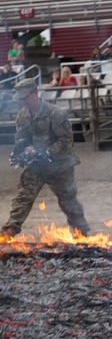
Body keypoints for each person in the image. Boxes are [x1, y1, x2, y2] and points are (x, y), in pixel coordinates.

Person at [2, 79, 91, 238]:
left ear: (35, 93)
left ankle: (81, 232)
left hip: (61, 165)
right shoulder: (22, 115)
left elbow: (66, 140)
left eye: (25, 97)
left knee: (68, 201)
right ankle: (9, 231)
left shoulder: (55, 113)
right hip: (37, 166)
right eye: (20, 98)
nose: (22, 101)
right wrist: (22, 146)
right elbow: (22, 134)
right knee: (24, 197)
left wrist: (46, 153)